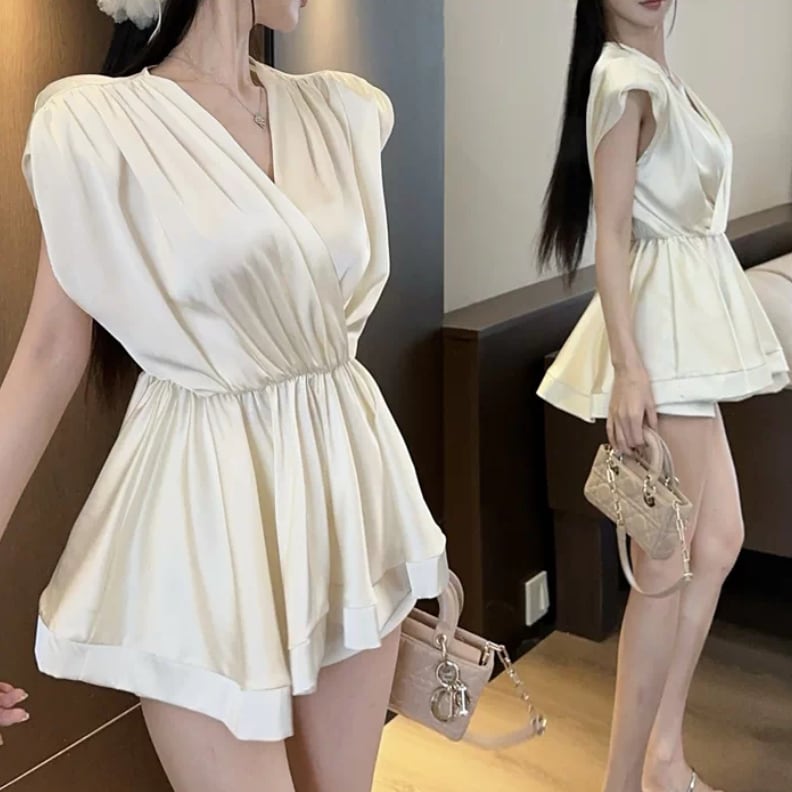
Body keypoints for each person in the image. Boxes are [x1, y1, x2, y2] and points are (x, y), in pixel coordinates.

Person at [0, 0, 448, 788]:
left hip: (347, 501)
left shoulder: (340, 112)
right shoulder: (101, 127)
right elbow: (47, 355)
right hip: (201, 522)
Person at [537, 1, 788, 791]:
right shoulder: (622, 81)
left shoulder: (656, 79)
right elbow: (611, 233)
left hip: (688, 334)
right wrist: (630, 369)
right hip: (666, 344)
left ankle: (665, 756)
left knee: (717, 540)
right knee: (663, 565)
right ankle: (626, 781)